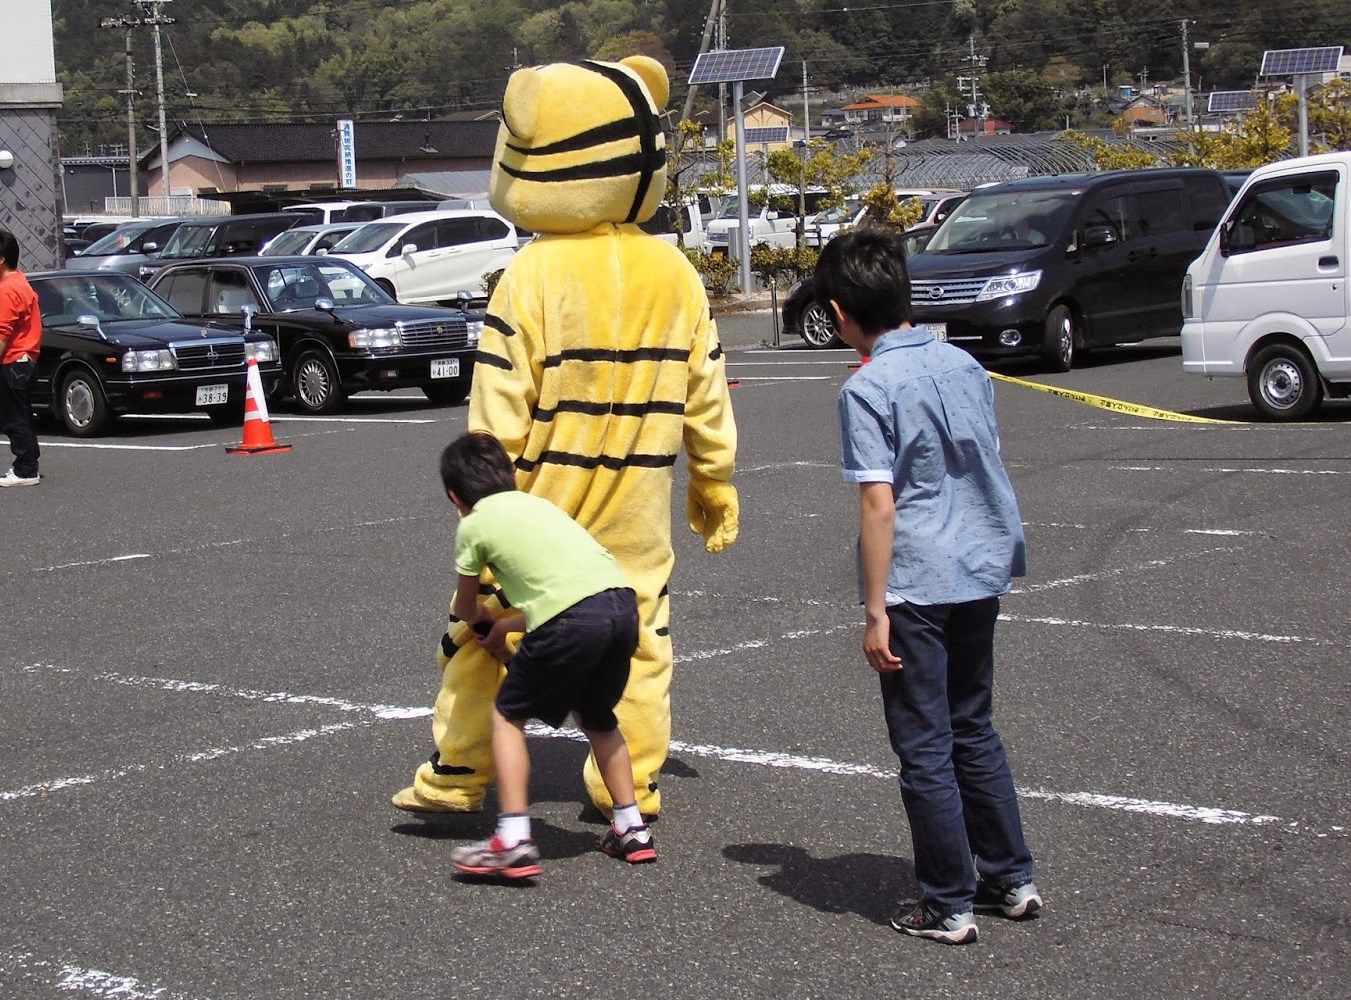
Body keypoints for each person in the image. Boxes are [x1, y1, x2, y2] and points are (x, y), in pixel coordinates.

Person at [815, 227, 1040, 945]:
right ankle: (1009, 877)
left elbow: (879, 503)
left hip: (917, 578)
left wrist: (874, 609)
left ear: (842, 310)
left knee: (923, 746)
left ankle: (947, 902)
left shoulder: (868, 386)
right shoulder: (962, 364)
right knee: (973, 725)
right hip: (980, 562)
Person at [439, 431, 657, 879]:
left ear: (454, 496)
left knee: (506, 715)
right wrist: (505, 626)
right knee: (598, 715)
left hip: (572, 618)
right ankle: (631, 828)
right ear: (508, 475)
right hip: (619, 606)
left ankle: (514, 839)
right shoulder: (538, 505)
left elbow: (464, 608)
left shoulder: (473, 524)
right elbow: (566, 591)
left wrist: (482, 619)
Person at [0, 229, 42, 487]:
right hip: (25, 360)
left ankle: (25, 469)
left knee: (14, 417)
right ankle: (29, 464)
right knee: (22, 414)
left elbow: (2, 334)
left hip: (14, 360)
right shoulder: (20, 281)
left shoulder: (6, 290)